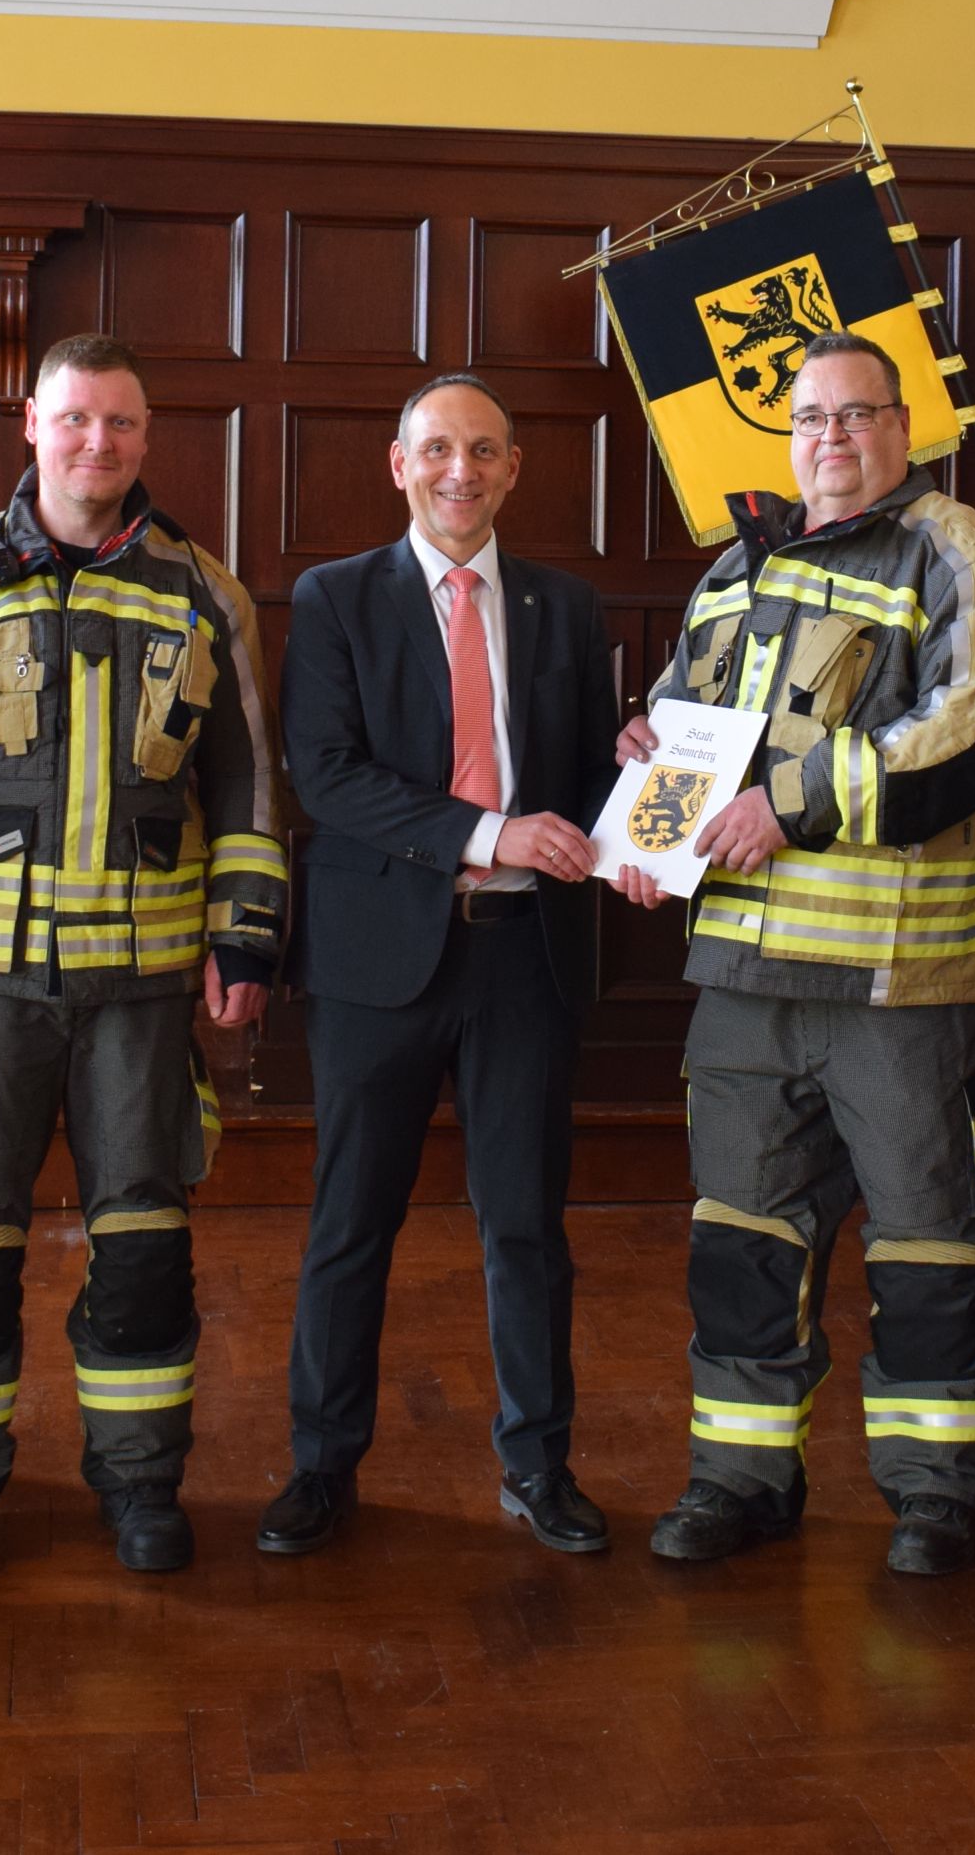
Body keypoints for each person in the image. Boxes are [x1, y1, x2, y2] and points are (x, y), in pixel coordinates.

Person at [0, 334, 288, 1580]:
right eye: (77, 419)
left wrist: (245, 933)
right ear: (30, 423)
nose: (100, 443)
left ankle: (140, 1484)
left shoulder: (205, 591)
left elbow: (250, 781)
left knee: (144, 1254)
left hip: (143, 998)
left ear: (148, 437)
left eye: (124, 424)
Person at [613, 330, 975, 1577]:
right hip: (742, 980)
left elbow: (971, 738)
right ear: (787, 434)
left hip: (902, 985)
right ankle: (739, 1480)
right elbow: (685, 721)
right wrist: (651, 773)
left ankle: (938, 1494)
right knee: (741, 1247)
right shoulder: (732, 571)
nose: (833, 440)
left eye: (858, 417)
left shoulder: (965, 554)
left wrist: (787, 806)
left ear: (903, 428)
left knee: (933, 1248)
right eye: (810, 419)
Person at [261, 373, 615, 1560]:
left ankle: (539, 1465)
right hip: (378, 963)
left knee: (526, 1228)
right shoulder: (336, 599)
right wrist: (485, 833)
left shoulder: (568, 607)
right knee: (349, 1225)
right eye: (437, 450)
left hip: (526, 961)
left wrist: (642, 766)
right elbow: (324, 773)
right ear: (399, 466)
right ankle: (322, 1466)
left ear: (515, 468)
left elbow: (591, 791)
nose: (459, 470)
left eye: (483, 451)